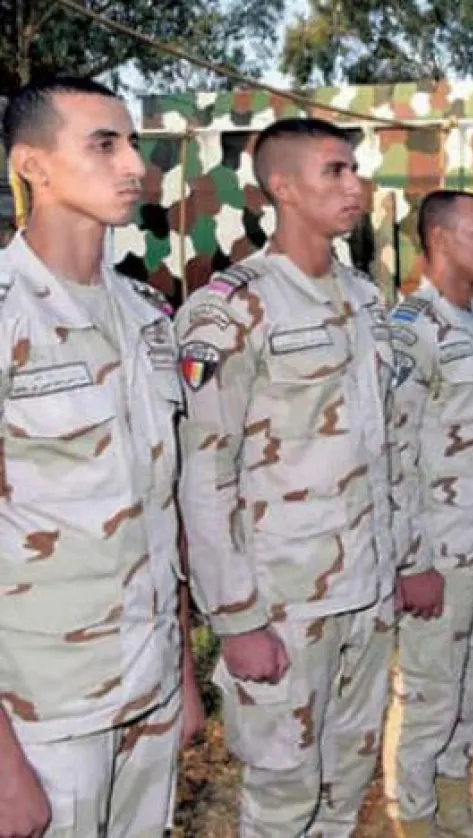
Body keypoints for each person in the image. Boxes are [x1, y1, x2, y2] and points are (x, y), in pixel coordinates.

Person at [176, 117, 398, 836]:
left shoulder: (363, 297)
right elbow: (202, 474)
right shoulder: (232, 307)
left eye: (354, 169)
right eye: (334, 170)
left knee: (347, 777)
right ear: (283, 186)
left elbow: (382, 447)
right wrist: (236, 619)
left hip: (365, 588)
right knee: (282, 796)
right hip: (283, 601)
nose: (354, 184)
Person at [0, 76, 197, 838]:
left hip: (147, 682)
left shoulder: (146, 316)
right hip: (45, 709)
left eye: (133, 145)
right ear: (32, 165)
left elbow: (162, 503)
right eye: (102, 144)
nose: (132, 167)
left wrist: (180, 669)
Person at [385, 190, 473, 837]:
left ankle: (455, 802)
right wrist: (413, 563)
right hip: (439, 555)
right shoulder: (412, 330)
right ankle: (414, 817)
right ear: (440, 241)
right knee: (431, 697)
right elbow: (393, 455)